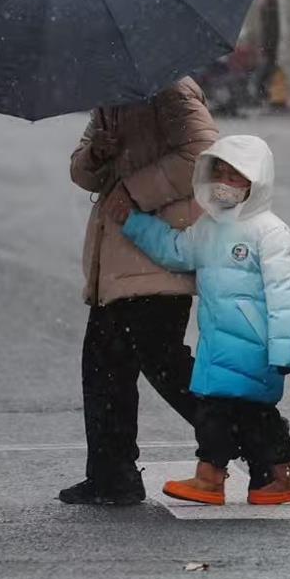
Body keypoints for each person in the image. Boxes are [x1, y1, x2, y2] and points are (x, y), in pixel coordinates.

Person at [122, 134, 290, 506]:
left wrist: (284, 351)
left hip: (255, 348)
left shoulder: (271, 232)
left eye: (234, 175)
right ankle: (274, 475)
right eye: (218, 173)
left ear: (256, 180)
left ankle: (220, 476)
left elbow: (286, 295)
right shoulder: (208, 227)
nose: (224, 182)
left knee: (235, 414)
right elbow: (176, 251)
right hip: (216, 345)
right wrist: (135, 223)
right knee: (236, 415)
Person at [60, 82, 219, 506]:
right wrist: (97, 153)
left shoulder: (170, 90)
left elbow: (204, 155)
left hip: (158, 254)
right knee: (104, 368)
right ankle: (111, 477)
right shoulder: (110, 97)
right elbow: (81, 173)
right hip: (118, 261)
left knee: (165, 366)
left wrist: (135, 190)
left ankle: (257, 440)